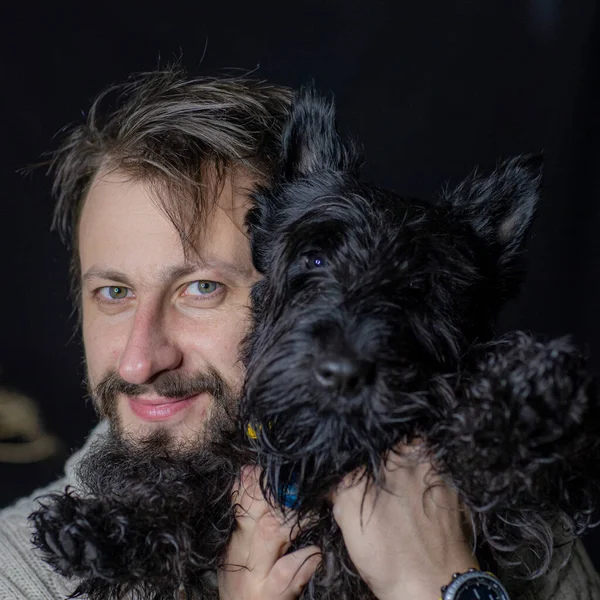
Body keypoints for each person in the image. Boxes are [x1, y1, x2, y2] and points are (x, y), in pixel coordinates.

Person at [0, 66, 598, 600]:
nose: (137, 362)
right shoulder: (20, 575)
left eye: (202, 287)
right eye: (114, 292)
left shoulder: (535, 543)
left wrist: (439, 582)